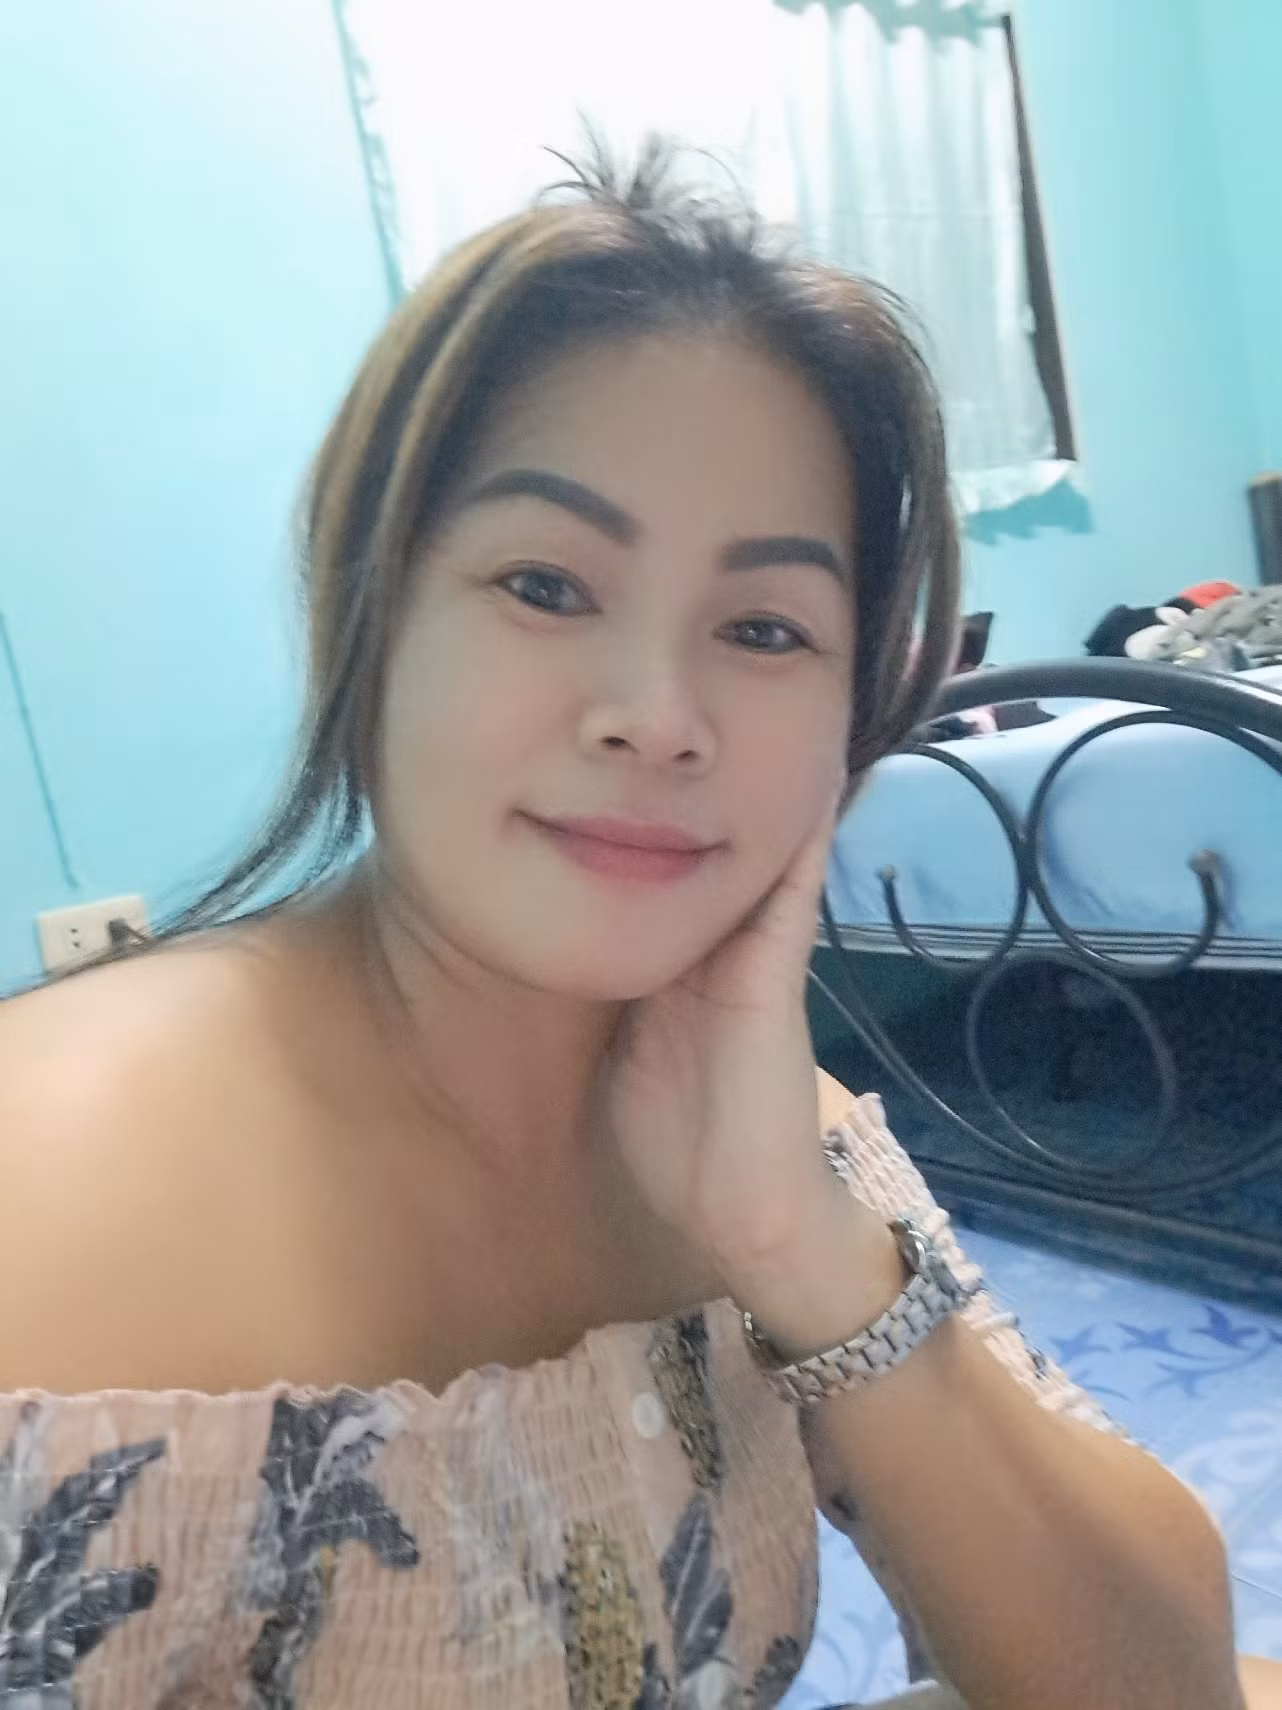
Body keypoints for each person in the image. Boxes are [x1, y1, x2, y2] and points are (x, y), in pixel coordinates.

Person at [0, 148, 1274, 1710]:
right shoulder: (50, 1184)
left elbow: (1166, 1685)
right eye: (544, 584)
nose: (657, 714)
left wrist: (798, 1248)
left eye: (764, 627)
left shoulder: (768, 1126)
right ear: (373, 611)